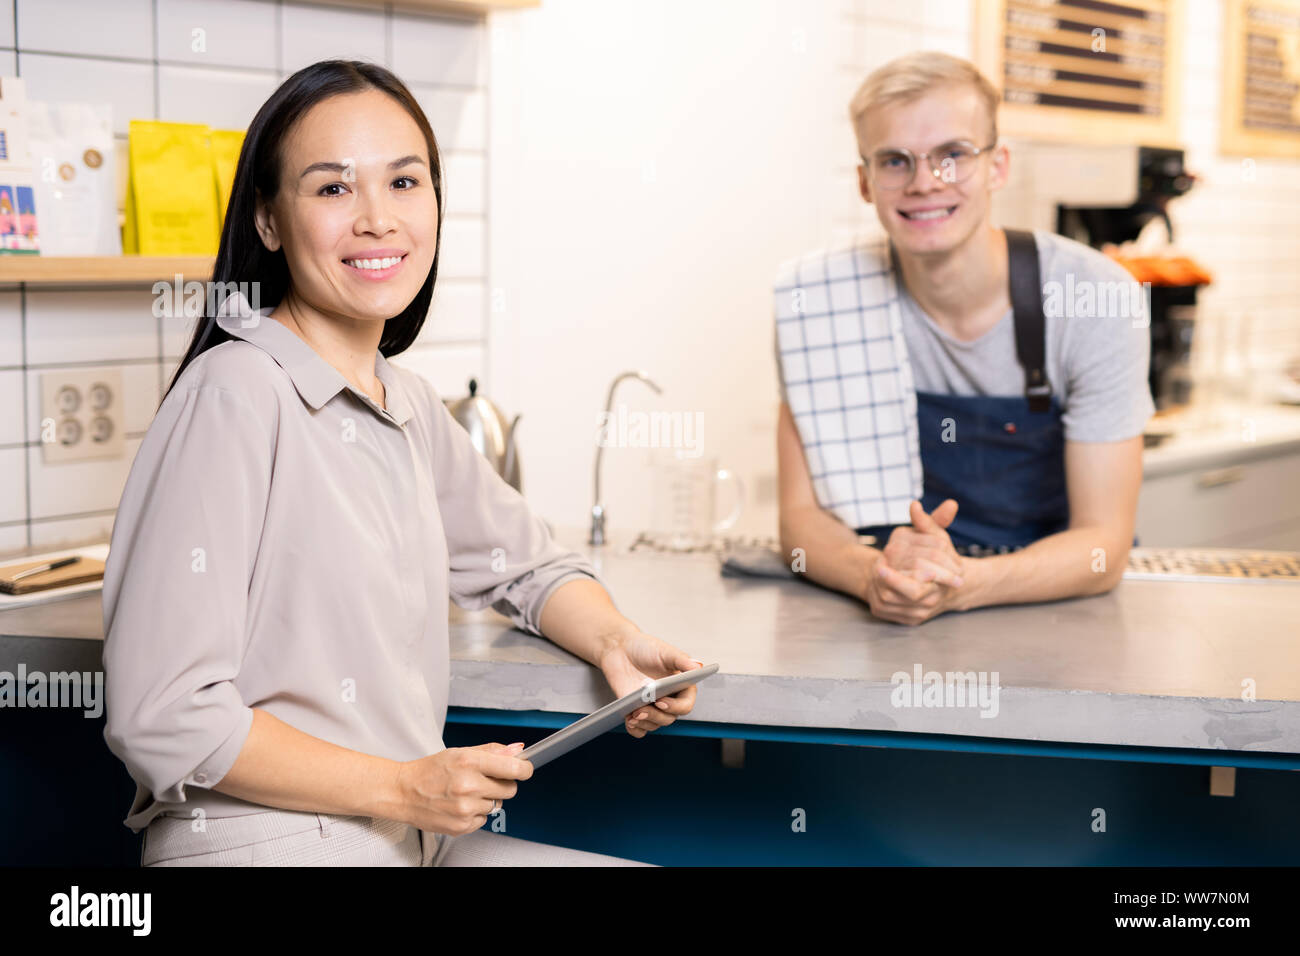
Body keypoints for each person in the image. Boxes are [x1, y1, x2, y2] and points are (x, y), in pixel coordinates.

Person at [102, 60, 702, 867]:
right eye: (333, 189)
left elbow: (528, 562)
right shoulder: (235, 393)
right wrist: (402, 787)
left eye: (406, 182)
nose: (379, 220)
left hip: (407, 838)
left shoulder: (406, 401)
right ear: (269, 222)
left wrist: (617, 641)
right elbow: (163, 712)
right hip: (265, 839)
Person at [775, 52, 1153, 626]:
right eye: (895, 160)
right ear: (864, 181)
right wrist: (873, 578)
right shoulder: (821, 300)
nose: (925, 182)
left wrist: (962, 585)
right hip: (884, 609)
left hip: (1050, 612)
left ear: (998, 166)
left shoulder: (1094, 297)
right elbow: (801, 522)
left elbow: (1103, 546)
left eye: (953, 155)